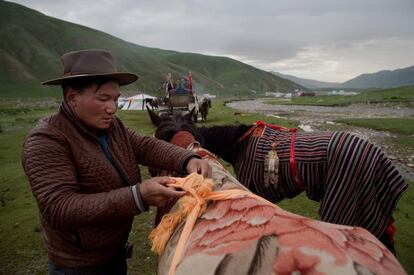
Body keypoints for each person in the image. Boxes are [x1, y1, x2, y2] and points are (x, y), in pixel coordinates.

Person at [22, 49, 211, 274]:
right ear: (72, 97)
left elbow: (146, 146)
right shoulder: (47, 140)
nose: (112, 108)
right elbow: (59, 207)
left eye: (115, 99)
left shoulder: (113, 127)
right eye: (103, 99)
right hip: (79, 266)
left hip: (114, 254)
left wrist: (187, 158)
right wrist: (137, 196)